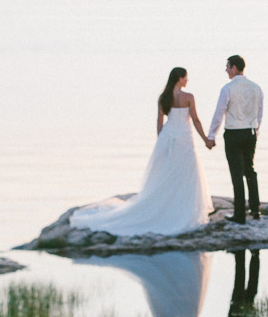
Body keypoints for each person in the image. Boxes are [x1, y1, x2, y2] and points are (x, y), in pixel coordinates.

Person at [69, 67, 213, 236]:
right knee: (186, 171)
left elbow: (159, 122)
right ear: (180, 79)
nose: (188, 80)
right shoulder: (189, 97)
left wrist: (162, 141)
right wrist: (206, 140)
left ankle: (166, 204)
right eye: (186, 77)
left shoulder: (164, 98)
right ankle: (184, 208)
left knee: (167, 172)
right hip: (184, 138)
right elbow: (195, 120)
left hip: (169, 136)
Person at [205, 55, 264, 225]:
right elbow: (259, 112)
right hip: (250, 132)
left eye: (228, 66)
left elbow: (219, 113)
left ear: (235, 67)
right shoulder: (256, 88)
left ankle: (240, 214)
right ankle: (255, 209)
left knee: (237, 174)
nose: (226, 70)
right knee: (250, 170)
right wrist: (256, 130)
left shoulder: (228, 89)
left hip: (233, 133)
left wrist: (211, 136)